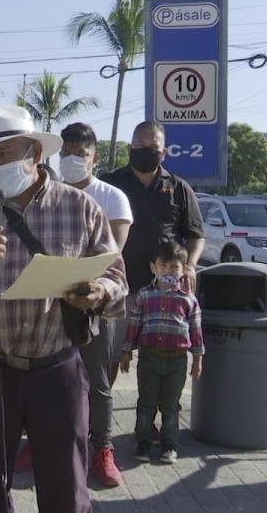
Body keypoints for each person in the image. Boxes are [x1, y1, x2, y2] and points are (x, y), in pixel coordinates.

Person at [0, 105, 127, 513]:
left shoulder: (81, 209)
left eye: (5, 154)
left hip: (57, 369)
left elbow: (116, 280)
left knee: (66, 485)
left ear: (34, 152)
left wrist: (95, 292)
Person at [59, 122, 134, 488]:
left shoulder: (112, 197)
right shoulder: (48, 194)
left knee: (98, 381)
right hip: (52, 302)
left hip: (97, 304)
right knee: (52, 379)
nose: (72, 160)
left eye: (80, 154)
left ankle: (102, 449)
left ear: (95, 158)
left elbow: (111, 256)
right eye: (66, 153)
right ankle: (50, 443)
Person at [120, 240, 204, 465]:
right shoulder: (145, 296)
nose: (169, 271)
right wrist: (126, 352)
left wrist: (198, 359)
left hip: (176, 360)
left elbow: (195, 331)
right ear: (153, 268)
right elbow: (134, 324)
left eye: (175, 267)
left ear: (184, 269)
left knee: (171, 405)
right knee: (146, 403)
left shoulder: (189, 299)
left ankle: (170, 445)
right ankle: (144, 442)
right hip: (149, 358)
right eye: (164, 266)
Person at [101, 120, 205, 295]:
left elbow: (197, 235)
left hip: (167, 289)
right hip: (118, 286)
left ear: (163, 153)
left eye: (153, 147)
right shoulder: (109, 184)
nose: (146, 150)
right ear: (129, 148)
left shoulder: (179, 188)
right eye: (140, 145)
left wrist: (190, 266)